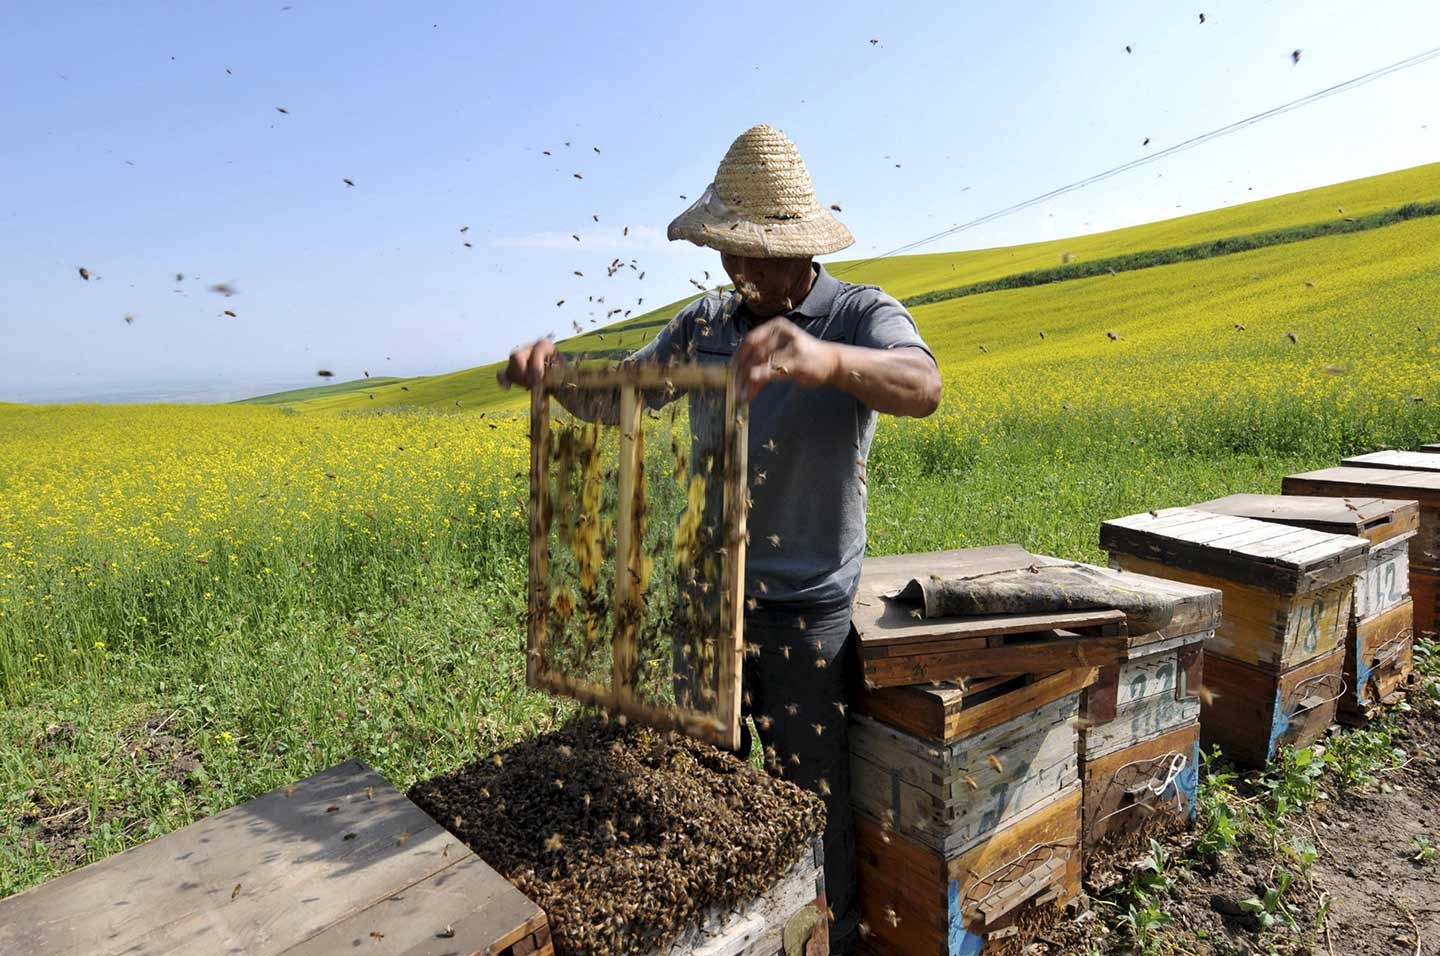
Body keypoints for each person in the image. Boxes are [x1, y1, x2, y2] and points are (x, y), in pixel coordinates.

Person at [502, 124, 940, 954]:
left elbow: (923, 385)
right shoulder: (703, 321)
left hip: (804, 608)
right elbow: (623, 398)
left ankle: (834, 934)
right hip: (708, 601)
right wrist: (556, 380)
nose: (739, 272)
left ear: (801, 248)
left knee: (810, 795)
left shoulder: (858, 313)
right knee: (706, 784)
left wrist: (821, 358)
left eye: (756, 255)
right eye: (728, 252)